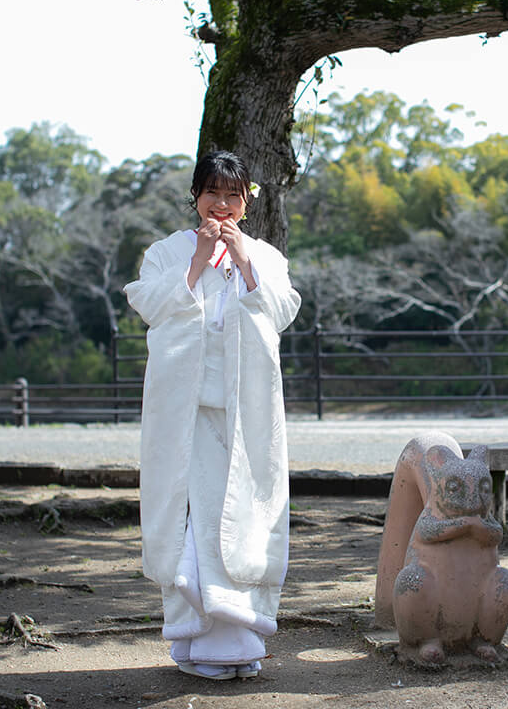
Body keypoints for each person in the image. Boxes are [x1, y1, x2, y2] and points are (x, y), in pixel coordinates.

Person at [124, 150, 301, 680]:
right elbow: (149, 305)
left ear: (247, 202)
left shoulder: (265, 254)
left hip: (245, 410)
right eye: (212, 193)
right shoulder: (166, 251)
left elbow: (282, 310)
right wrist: (197, 263)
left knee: (243, 512)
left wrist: (245, 262)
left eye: (233, 196)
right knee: (195, 520)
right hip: (187, 413)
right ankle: (198, 642)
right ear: (195, 196)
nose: (221, 205)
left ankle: (241, 640)